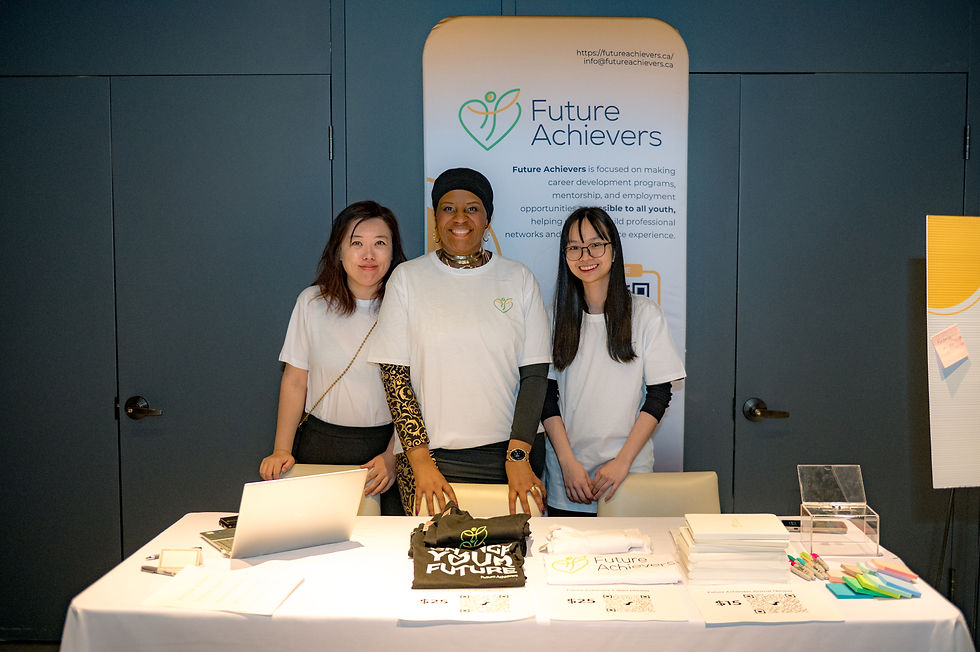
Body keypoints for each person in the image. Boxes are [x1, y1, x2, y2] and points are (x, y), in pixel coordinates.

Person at [369, 168, 551, 516]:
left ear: (487, 220)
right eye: (448, 208)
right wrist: (420, 461)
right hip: (430, 459)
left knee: (516, 549)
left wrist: (517, 456)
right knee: (431, 550)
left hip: (512, 456)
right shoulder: (407, 279)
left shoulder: (518, 278)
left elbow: (535, 376)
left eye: (472, 208)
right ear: (436, 218)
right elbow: (394, 378)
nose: (460, 218)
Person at [259, 200, 407, 515]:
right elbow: (295, 381)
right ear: (338, 251)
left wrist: (393, 455)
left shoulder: (408, 308)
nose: (368, 255)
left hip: (386, 451)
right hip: (321, 443)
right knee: (316, 539)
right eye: (357, 243)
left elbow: (418, 392)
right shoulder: (312, 303)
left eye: (380, 243)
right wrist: (281, 449)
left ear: (394, 253)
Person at [542, 207, 686, 516]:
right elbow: (545, 396)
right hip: (569, 481)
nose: (585, 256)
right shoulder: (552, 318)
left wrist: (622, 463)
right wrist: (567, 464)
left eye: (596, 244)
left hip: (628, 477)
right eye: (575, 247)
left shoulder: (645, 315)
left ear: (614, 251)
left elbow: (659, 395)